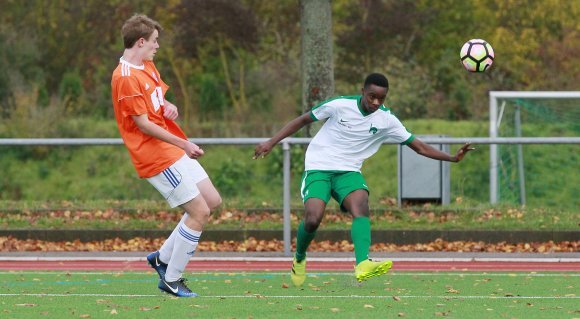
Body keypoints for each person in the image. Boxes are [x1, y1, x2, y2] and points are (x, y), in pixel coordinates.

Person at [254, 73, 474, 286]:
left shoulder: (387, 119)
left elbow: (419, 147)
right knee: (313, 218)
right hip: (319, 166)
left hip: (348, 171)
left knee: (361, 205)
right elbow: (303, 120)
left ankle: (362, 263)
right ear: (363, 92)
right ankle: (300, 257)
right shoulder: (339, 105)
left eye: (381, 98)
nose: (376, 102)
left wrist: (453, 158)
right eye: (372, 97)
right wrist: (271, 142)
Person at [111, 14, 221, 297]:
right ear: (140, 41)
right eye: (155, 42)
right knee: (199, 212)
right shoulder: (124, 78)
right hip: (155, 156)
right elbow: (143, 124)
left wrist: (168, 105)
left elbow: (156, 100)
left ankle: (161, 258)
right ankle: (172, 279)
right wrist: (184, 144)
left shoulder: (147, 65)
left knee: (212, 200)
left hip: (170, 147)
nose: (158, 47)